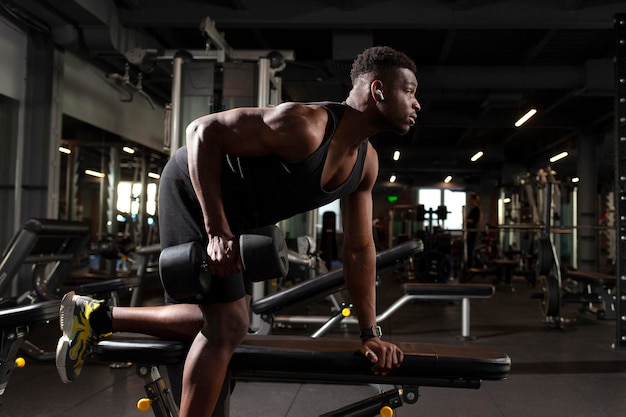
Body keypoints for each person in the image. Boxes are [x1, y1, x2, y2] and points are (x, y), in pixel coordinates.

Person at [55, 45, 421, 417]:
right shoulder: (306, 125)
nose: (416, 104)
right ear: (378, 91)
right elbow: (201, 131)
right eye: (409, 91)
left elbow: (359, 249)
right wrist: (216, 231)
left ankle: (96, 316)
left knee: (225, 320)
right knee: (229, 324)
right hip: (193, 186)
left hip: (241, 214)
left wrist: (369, 334)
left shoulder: (367, 163)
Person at [465, 192, 482, 269]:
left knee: (471, 250)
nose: (469, 201)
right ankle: (469, 265)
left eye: (470, 200)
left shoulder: (476, 209)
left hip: (473, 232)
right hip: (470, 231)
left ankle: (473, 265)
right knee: (469, 249)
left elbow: (474, 221)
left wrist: (466, 220)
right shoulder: (473, 209)